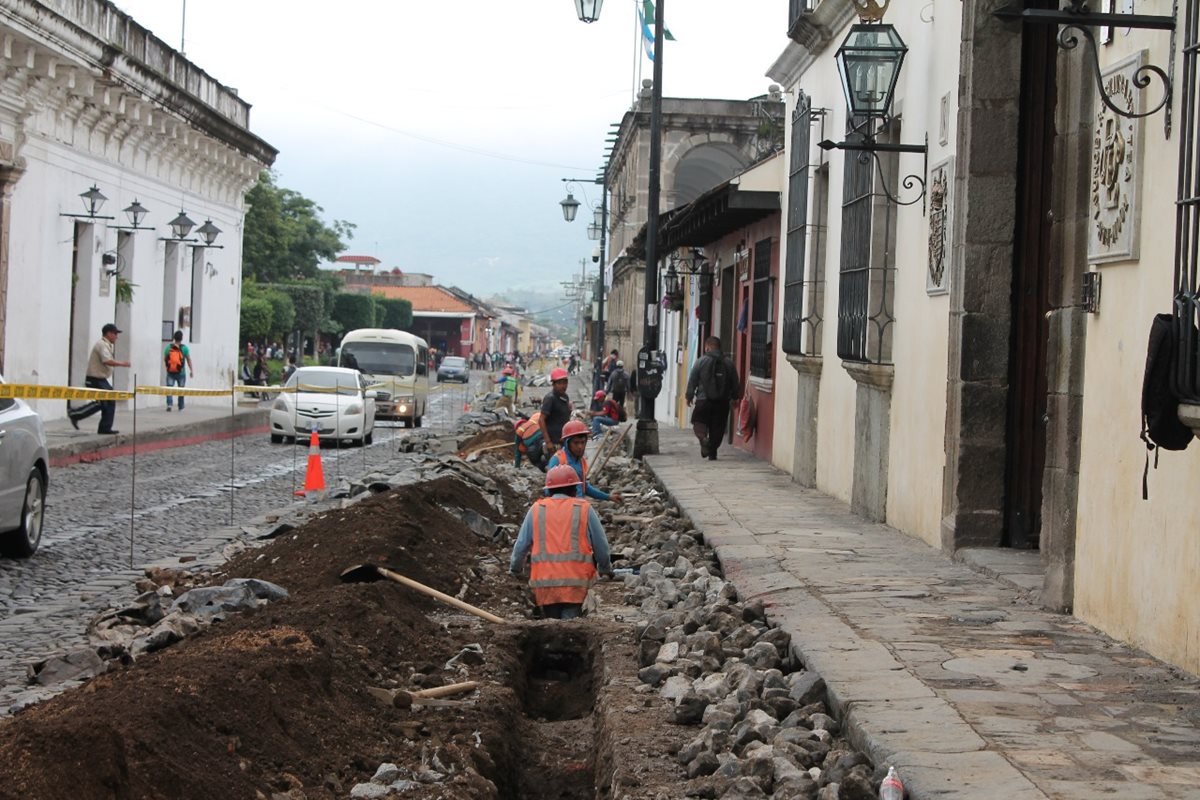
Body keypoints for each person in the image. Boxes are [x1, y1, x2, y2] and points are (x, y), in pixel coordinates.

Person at [509, 464, 613, 619]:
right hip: (576, 585)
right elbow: (601, 546)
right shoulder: (584, 508)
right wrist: (605, 568)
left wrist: (515, 570)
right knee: (570, 627)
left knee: (551, 627)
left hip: (545, 585)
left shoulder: (537, 509)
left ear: (549, 490)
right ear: (573, 489)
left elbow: (521, 546)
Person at [685, 335, 741, 461]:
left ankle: (703, 438)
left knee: (699, 422)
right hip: (722, 402)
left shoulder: (700, 361)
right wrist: (735, 397)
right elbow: (735, 382)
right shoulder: (729, 363)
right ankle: (712, 452)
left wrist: (689, 396)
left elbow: (692, 380)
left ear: (707, 347)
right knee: (718, 427)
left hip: (703, 400)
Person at [68, 323, 130, 434]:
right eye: (115, 334)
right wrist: (122, 363)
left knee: (109, 401)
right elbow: (106, 360)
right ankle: (75, 415)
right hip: (94, 379)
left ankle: (104, 428)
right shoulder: (101, 345)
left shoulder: (106, 345)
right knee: (103, 402)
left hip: (101, 379)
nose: (116, 337)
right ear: (108, 333)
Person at [547, 420, 622, 503]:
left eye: (582, 442)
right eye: (576, 443)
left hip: (579, 507)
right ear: (567, 443)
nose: (580, 446)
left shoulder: (581, 461)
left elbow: (584, 487)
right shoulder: (558, 460)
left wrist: (608, 497)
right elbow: (549, 491)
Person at [538, 367, 573, 455]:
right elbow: (541, 420)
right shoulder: (550, 398)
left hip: (563, 438)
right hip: (553, 441)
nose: (563, 386)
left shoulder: (565, 397)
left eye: (565, 383)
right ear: (553, 384)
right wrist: (548, 442)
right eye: (559, 383)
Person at [163, 330, 193, 411]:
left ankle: (169, 404)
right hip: (181, 373)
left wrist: (168, 366)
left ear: (174, 338)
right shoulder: (185, 348)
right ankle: (181, 406)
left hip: (170, 372)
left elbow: (165, 358)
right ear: (181, 338)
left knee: (169, 388)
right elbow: (188, 360)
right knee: (181, 390)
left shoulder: (168, 347)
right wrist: (191, 370)